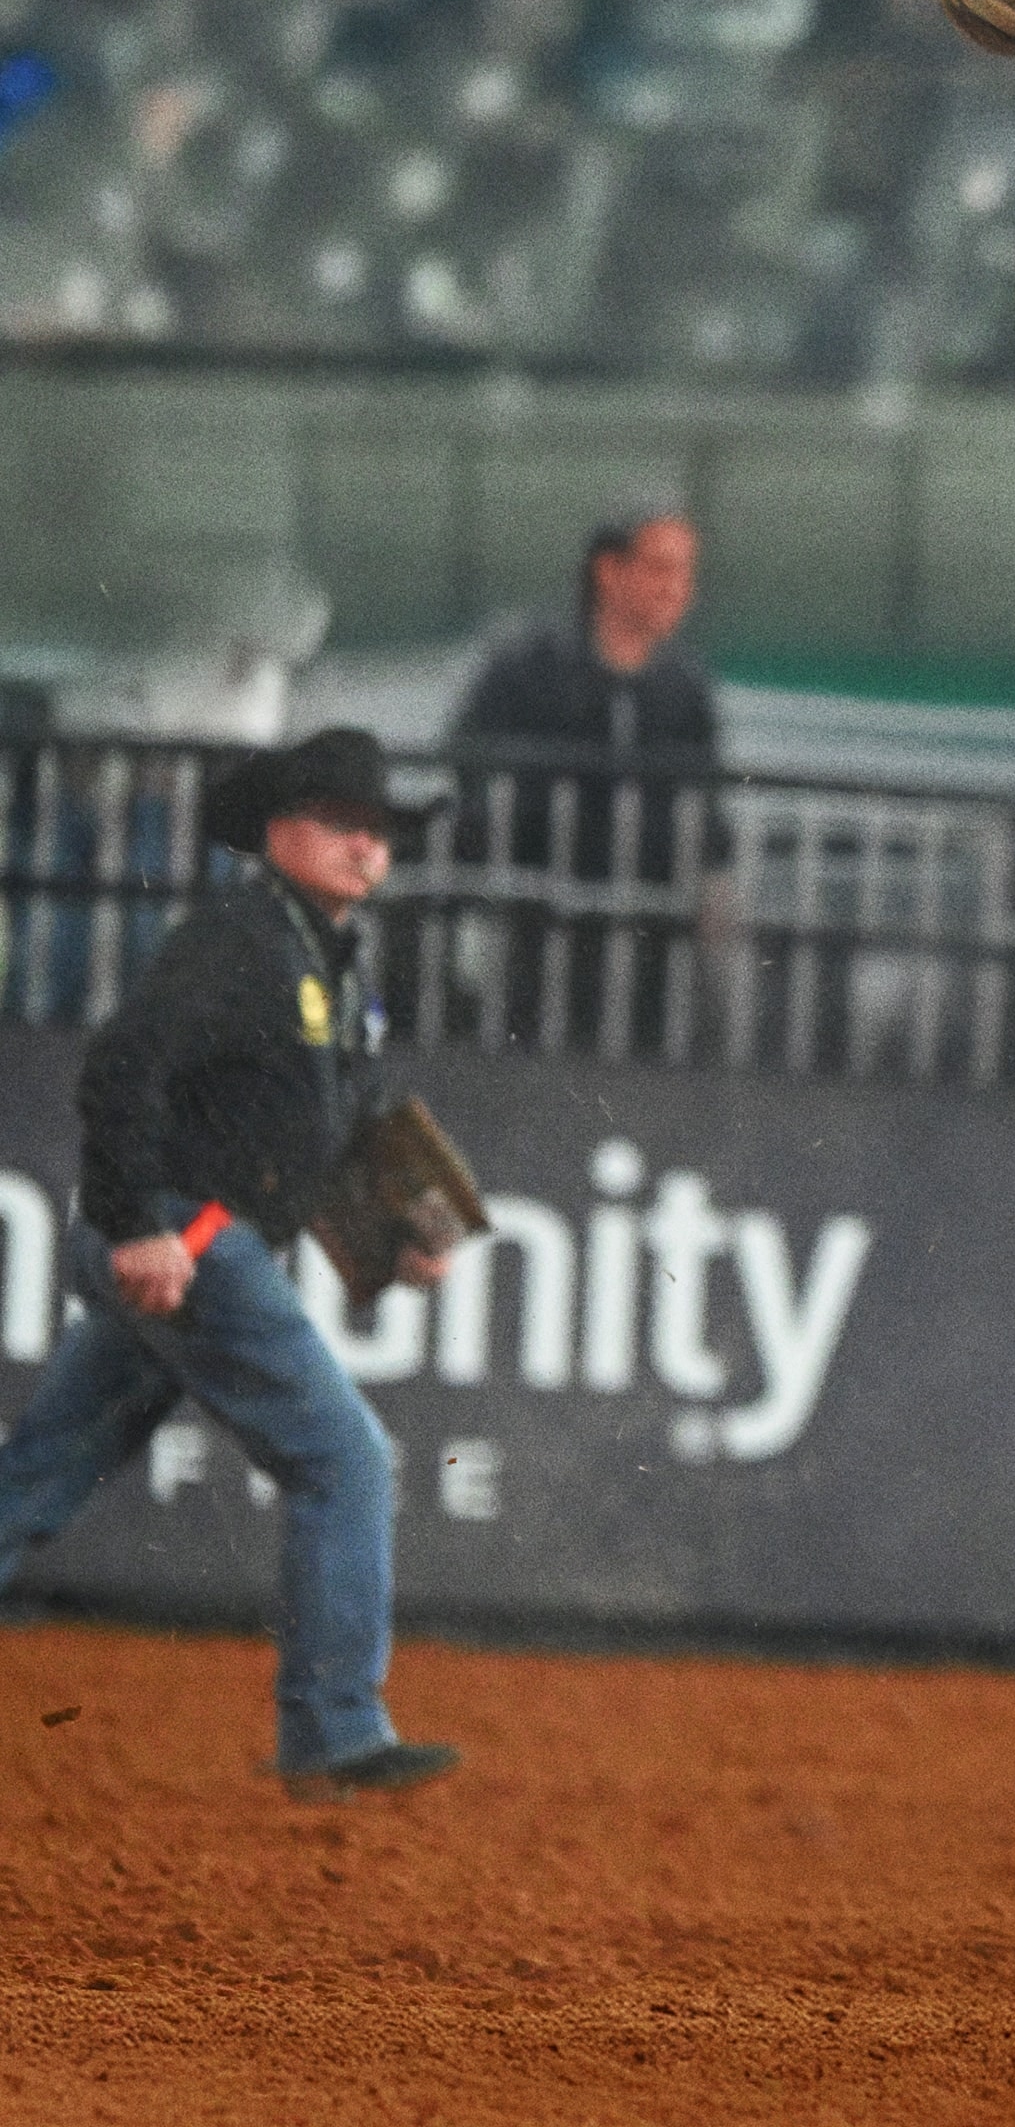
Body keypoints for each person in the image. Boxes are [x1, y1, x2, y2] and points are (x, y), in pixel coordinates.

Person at [0, 729, 460, 1799]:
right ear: (277, 833)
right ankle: (336, 1735)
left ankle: (334, 1730)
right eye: (343, 823)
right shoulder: (244, 941)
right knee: (342, 1456)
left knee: (46, 1467)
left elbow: (331, 1130)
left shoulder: (323, 955)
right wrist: (131, 1224)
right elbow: (122, 1065)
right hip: (188, 1237)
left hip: (185, 1238)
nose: (366, 845)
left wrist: (401, 1235)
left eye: (379, 828)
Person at [446, 510, 729, 1046]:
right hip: (536, 922)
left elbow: (709, 808)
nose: (677, 591)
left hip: (650, 937)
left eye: (685, 575)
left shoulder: (685, 686)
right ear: (608, 570)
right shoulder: (529, 665)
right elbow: (471, 763)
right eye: (661, 569)